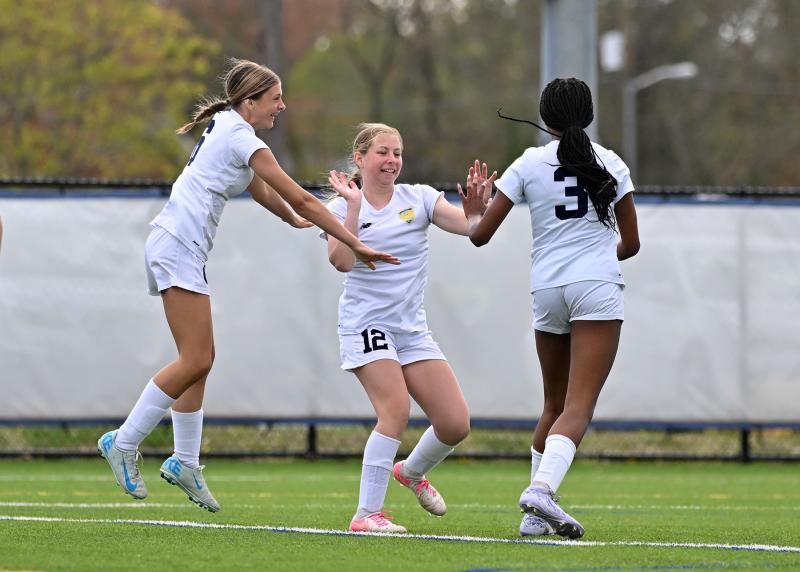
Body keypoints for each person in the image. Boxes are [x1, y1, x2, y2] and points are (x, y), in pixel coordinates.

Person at [97, 60, 399, 512]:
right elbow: (297, 193)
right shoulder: (241, 136)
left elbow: (259, 189)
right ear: (250, 101)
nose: (282, 105)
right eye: (275, 98)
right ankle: (123, 441)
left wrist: (292, 219)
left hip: (178, 245)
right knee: (198, 358)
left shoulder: (227, 125)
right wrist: (354, 242)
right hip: (177, 245)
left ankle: (184, 461)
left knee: (197, 362)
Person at [459, 78, 640, 539]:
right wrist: (595, 263)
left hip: (546, 291)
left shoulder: (527, 163)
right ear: (590, 114)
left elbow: (479, 235)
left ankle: (534, 517)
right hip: (595, 289)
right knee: (579, 406)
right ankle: (541, 491)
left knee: (553, 404)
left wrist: (476, 208)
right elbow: (632, 244)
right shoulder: (611, 162)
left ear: (545, 118)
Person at [323, 123, 489, 533]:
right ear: (360, 158)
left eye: (397, 152)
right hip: (366, 324)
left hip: (410, 330)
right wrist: (354, 207)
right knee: (395, 412)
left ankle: (410, 472)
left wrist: (478, 210)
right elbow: (342, 262)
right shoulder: (340, 207)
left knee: (454, 423)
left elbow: (471, 228)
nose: (392, 160)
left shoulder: (421, 198)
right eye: (382, 152)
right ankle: (366, 515)